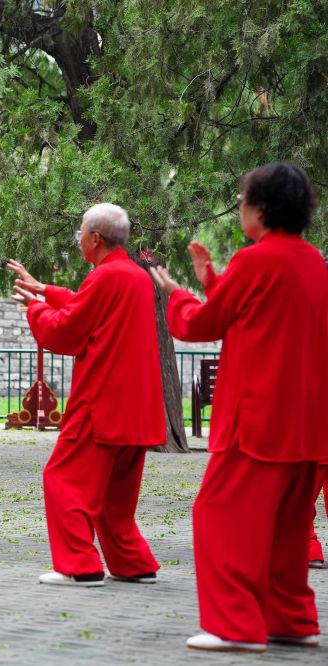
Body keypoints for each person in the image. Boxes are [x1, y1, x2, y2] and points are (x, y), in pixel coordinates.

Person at [151, 162, 328, 652]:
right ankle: (292, 621)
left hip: (257, 418)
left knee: (220, 516)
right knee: (287, 533)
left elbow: (202, 325)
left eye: (245, 201)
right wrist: (213, 279)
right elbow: (254, 308)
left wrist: (178, 294)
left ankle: (234, 625)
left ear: (261, 209)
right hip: (308, 425)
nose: (241, 210)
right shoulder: (313, 262)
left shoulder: (256, 260)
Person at [8, 203, 164, 588]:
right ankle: (134, 563)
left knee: (62, 480)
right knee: (116, 497)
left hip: (101, 401)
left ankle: (79, 565)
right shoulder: (135, 275)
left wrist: (35, 309)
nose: (78, 238)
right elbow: (88, 305)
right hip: (137, 406)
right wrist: (45, 290)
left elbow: (69, 329)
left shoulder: (104, 277)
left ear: (95, 238)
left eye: (80, 232)